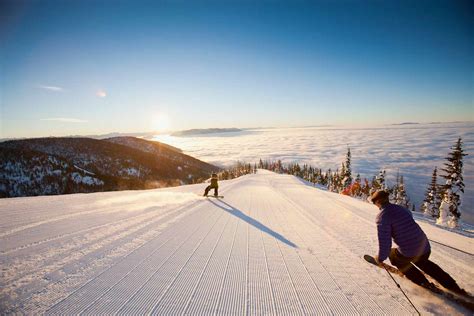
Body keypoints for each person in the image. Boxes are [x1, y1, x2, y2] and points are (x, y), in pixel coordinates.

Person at [369, 190, 467, 295]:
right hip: (424, 246)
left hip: (410, 251)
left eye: (374, 202)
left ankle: (424, 283)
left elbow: (385, 243)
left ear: (378, 201)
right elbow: (408, 220)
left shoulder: (382, 217)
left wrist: (380, 259)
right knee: (424, 263)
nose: (375, 205)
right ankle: (455, 288)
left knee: (394, 256)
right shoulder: (401, 209)